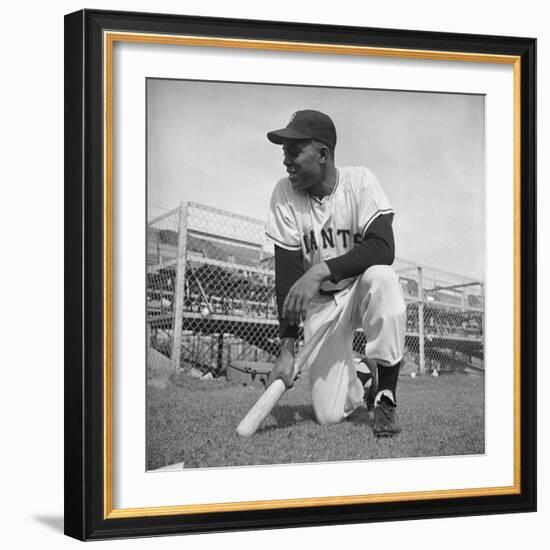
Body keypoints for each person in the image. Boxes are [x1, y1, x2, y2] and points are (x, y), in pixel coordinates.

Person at [265, 109, 406, 437]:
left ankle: (385, 396)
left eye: (294, 151)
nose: (286, 160)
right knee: (329, 415)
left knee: (383, 278)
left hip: (360, 290)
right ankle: (363, 378)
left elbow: (383, 247)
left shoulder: (359, 181)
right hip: (324, 305)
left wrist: (318, 271)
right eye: (284, 151)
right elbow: (286, 275)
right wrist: (287, 347)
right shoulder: (284, 193)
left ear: (323, 154)